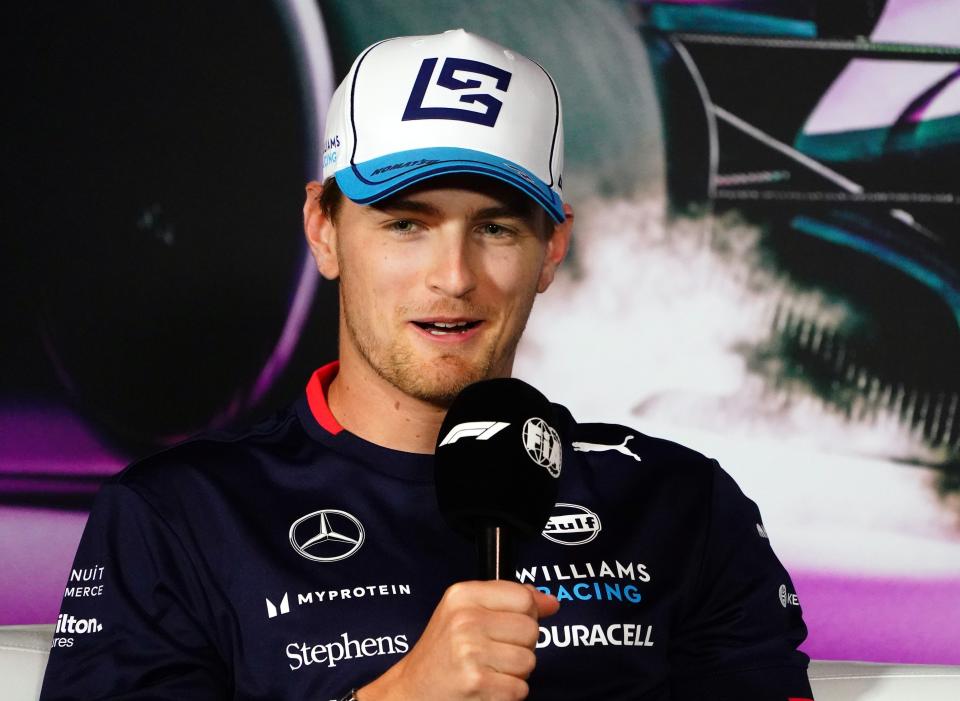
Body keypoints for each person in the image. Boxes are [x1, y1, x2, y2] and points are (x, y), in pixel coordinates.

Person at [40, 29, 813, 701]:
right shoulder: (177, 515)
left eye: (497, 228)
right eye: (407, 223)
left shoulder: (680, 504)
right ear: (324, 229)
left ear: (552, 248)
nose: (453, 275)